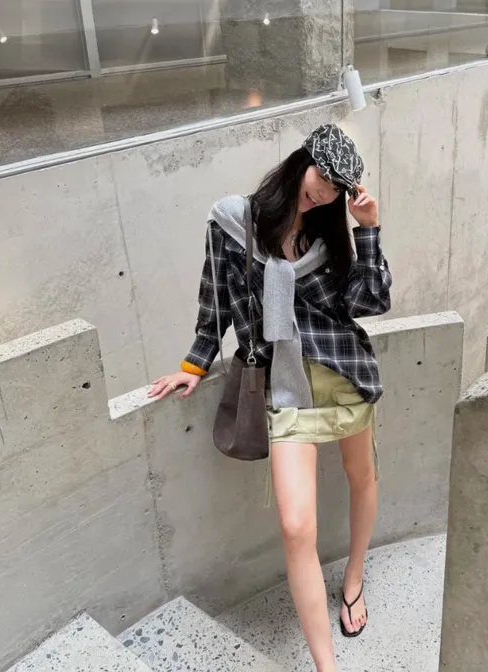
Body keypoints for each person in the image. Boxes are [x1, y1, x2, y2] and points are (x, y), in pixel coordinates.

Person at [148, 123, 392, 672]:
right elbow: (214, 299)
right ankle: (327, 666)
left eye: (336, 188)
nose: (324, 193)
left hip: (344, 374)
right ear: (301, 162)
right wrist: (194, 364)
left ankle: (353, 578)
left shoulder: (328, 239)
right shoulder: (233, 221)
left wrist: (369, 229)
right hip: (284, 387)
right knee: (296, 526)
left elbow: (369, 302)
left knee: (362, 478)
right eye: (321, 177)